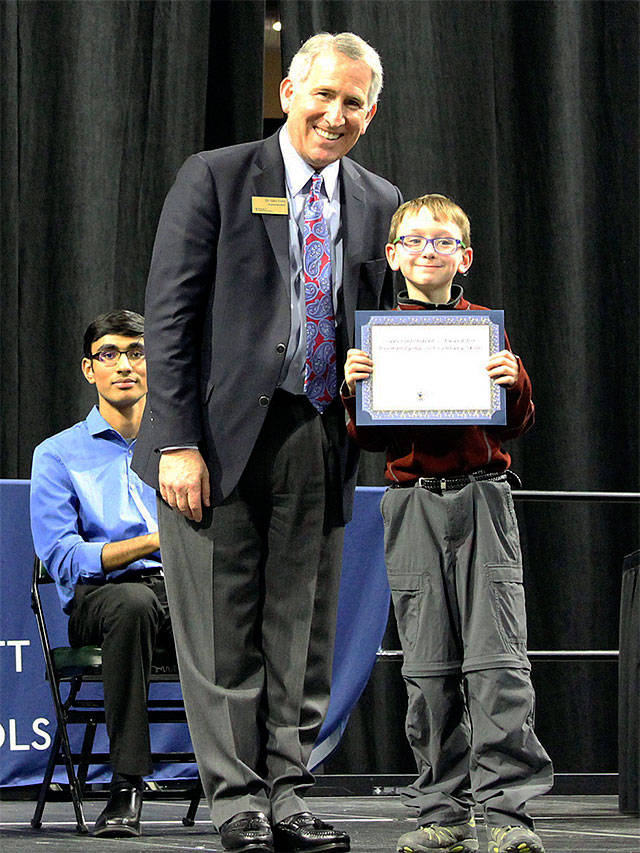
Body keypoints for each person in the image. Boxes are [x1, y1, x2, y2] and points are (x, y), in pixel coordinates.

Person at [131, 31, 402, 853]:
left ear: (372, 112)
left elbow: (386, 324)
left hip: (319, 433)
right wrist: (174, 439)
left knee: (302, 629)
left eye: (353, 102)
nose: (335, 113)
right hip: (211, 441)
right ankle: (237, 800)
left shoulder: (380, 199)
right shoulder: (215, 176)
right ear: (289, 91)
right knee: (219, 629)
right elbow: (170, 317)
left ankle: (289, 789)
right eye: (323, 94)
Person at [343, 195, 553, 853]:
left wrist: (512, 379)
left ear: (463, 257)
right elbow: (368, 440)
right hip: (410, 501)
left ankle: (509, 813)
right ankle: (443, 809)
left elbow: (514, 421)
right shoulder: (377, 334)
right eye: (413, 240)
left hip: (484, 495)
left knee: (498, 660)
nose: (427, 251)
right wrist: (356, 391)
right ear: (392, 253)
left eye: (441, 241)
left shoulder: (483, 330)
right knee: (429, 663)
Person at [30, 310, 174, 838]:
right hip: (103, 600)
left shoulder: (182, 446)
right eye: (109, 354)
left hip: (180, 596)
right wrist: (157, 542)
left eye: (137, 353)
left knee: (243, 605)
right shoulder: (58, 454)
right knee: (132, 605)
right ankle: (126, 784)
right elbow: (64, 559)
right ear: (89, 370)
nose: (125, 365)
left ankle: (253, 788)